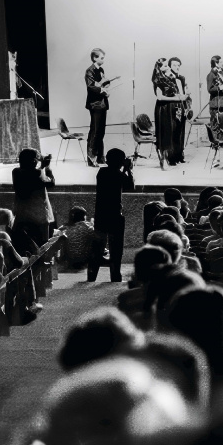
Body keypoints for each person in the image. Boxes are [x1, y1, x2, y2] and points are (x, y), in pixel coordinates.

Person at [88, 148, 134, 282]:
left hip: (101, 215)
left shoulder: (101, 172)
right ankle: (115, 276)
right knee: (116, 249)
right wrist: (128, 169)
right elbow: (129, 186)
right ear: (121, 161)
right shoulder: (119, 175)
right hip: (115, 216)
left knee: (97, 247)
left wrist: (123, 169)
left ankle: (92, 276)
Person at [12, 148, 54, 248]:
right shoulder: (38, 173)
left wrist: (41, 167)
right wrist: (47, 168)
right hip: (39, 217)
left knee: (20, 245)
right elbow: (51, 183)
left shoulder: (16, 172)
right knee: (42, 246)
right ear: (34, 161)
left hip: (21, 215)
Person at [152, 58, 185, 169]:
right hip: (163, 109)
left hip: (171, 109)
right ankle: (163, 160)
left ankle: (169, 158)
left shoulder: (170, 78)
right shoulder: (158, 80)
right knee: (164, 134)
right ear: (160, 68)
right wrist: (176, 99)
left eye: (167, 65)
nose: (168, 68)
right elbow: (160, 97)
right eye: (165, 66)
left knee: (171, 134)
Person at [84, 47, 110, 167]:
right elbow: (90, 86)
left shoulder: (101, 69)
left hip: (102, 104)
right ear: (95, 58)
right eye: (101, 58)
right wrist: (102, 90)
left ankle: (100, 157)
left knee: (101, 131)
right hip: (95, 105)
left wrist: (106, 86)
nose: (103, 60)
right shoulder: (90, 71)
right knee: (95, 131)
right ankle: (91, 157)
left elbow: (101, 83)